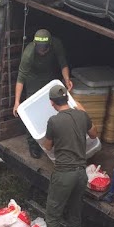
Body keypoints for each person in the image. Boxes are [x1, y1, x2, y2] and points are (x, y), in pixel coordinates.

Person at [39, 84, 97, 227]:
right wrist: (83, 111)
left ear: (51, 103)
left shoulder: (54, 121)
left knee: (53, 211)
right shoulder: (81, 115)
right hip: (81, 173)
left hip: (64, 173)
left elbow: (48, 146)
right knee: (74, 209)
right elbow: (94, 134)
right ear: (67, 99)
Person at [13, 29, 73, 158]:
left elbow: (63, 64)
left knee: (52, 107)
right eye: (39, 47)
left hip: (50, 77)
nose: (42, 50)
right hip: (33, 79)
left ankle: (51, 139)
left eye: (44, 48)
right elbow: (20, 78)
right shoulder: (29, 53)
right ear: (35, 45)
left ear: (49, 45)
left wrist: (67, 79)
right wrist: (17, 102)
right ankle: (32, 143)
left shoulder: (56, 44)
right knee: (32, 111)